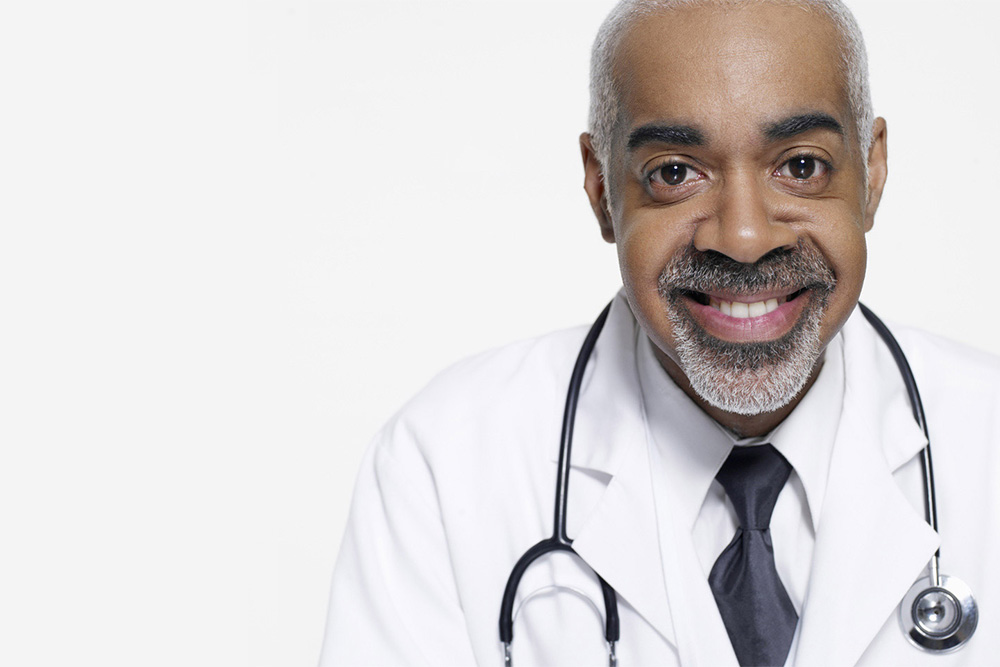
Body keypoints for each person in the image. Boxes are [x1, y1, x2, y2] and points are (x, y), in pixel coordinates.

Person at [320, 0, 999, 664]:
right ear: (600, 190)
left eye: (800, 166)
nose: (742, 236)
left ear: (873, 173)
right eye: (675, 173)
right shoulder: (442, 466)